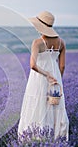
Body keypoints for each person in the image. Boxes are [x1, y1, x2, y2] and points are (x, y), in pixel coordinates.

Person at [18, 11, 69, 140]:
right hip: (56, 77)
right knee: (54, 106)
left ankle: (34, 138)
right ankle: (56, 137)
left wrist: (47, 75)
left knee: (37, 103)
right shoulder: (61, 43)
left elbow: (33, 65)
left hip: (39, 78)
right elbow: (62, 66)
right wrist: (57, 80)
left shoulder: (37, 43)